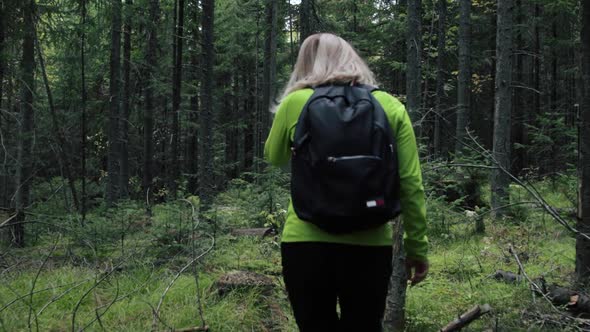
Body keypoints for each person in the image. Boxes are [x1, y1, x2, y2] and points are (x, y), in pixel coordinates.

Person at [264, 33, 428, 332]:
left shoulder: (296, 102)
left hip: (305, 243)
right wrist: (417, 248)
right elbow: (411, 183)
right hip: (370, 243)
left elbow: (273, 157)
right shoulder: (389, 105)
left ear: (305, 65)